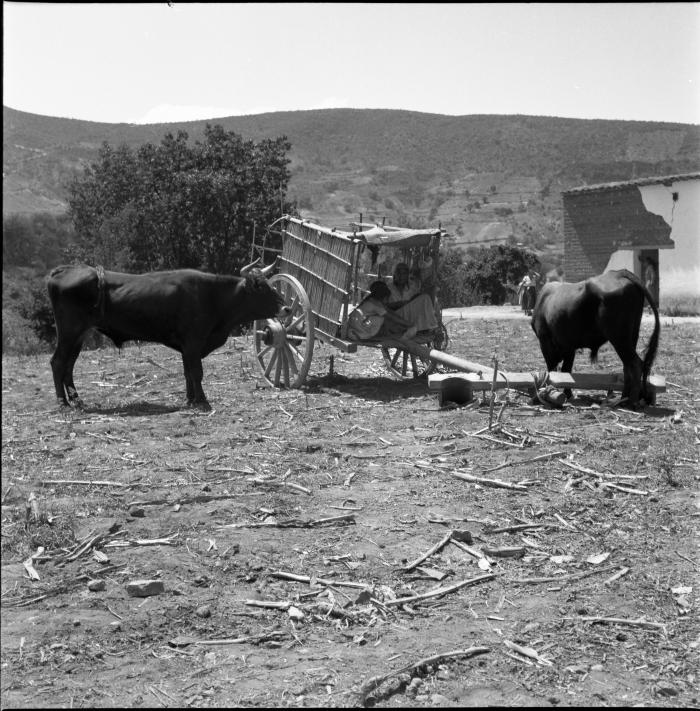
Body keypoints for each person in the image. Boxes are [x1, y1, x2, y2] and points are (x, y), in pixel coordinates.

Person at [347, 280, 418, 341]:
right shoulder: (376, 305)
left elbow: (389, 311)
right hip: (359, 330)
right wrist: (409, 324)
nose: (387, 301)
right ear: (384, 297)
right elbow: (392, 317)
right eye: (387, 299)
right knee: (383, 319)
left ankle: (401, 330)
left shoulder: (371, 300)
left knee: (382, 318)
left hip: (353, 327)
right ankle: (397, 333)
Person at [386, 262, 438, 332]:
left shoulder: (413, 287)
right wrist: (397, 304)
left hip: (410, 317)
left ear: (407, 275)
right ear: (394, 274)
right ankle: (431, 326)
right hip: (395, 317)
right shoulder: (388, 288)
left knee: (425, 297)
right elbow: (381, 307)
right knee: (425, 297)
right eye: (398, 273)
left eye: (404, 273)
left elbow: (417, 303)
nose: (401, 276)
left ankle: (427, 327)